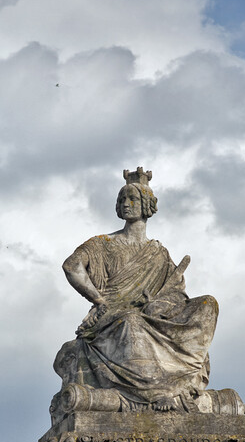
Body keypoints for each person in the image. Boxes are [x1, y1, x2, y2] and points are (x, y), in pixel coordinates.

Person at [56, 168, 218, 412]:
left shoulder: (158, 253)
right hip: (114, 316)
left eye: (132, 199)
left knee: (208, 304)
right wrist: (99, 300)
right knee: (132, 321)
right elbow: (71, 266)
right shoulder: (103, 244)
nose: (126, 204)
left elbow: (177, 293)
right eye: (122, 200)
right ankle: (155, 392)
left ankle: (183, 380)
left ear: (147, 205)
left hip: (155, 315)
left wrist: (161, 305)